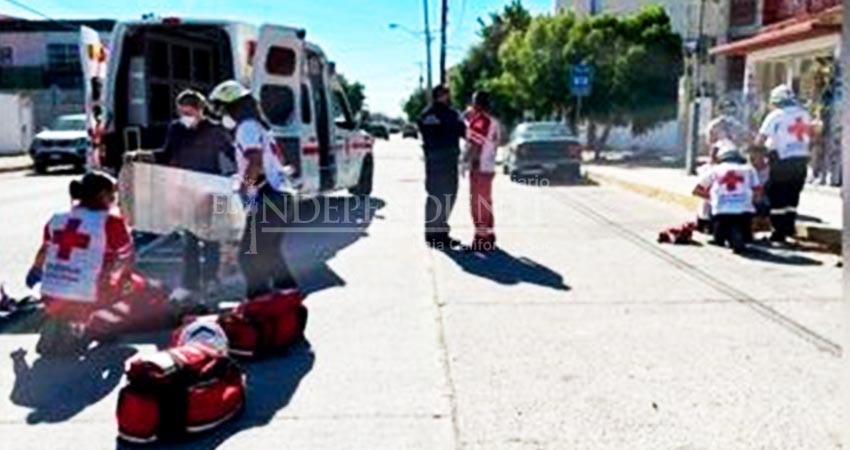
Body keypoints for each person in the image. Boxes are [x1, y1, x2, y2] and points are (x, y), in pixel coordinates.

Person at [25, 172, 170, 352]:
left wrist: (34, 271)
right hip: (87, 296)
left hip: (50, 293)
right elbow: (126, 257)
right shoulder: (110, 222)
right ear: (103, 195)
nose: (114, 198)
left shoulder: (56, 219)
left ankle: (75, 323)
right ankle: (101, 325)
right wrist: (122, 280)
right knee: (143, 287)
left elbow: (44, 251)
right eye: (113, 193)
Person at [208, 80, 298, 298]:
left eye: (221, 107)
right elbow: (274, 161)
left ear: (233, 106)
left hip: (269, 198)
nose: (221, 114)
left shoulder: (246, 127)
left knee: (250, 255)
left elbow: (255, 162)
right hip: (282, 196)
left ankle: (259, 303)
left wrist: (245, 188)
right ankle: (288, 297)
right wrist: (242, 179)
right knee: (270, 252)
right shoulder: (261, 126)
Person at [156, 90, 236, 302]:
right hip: (186, 190)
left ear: (201, 110)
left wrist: (240, 181)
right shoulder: (176, 129)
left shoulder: (215, 130)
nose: (185, 117)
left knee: (211, 238)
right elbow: (166, 154)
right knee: (190, 240)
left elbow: (232, 154)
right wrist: (142, 155)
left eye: (189, 112)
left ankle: (211, 280)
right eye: (182, 112)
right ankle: (189, 283)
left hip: (212, 188)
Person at [755, 84, 812, 243]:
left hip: (782, 161)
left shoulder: (776, 115)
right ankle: (788, 229)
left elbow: (760, 139)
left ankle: (778, 233)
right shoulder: (804, 114)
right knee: (792, 197)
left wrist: (755, 156)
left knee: (777, 196)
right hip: (801, 161)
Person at [693, 141, 763, 254]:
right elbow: (758, 190)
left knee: (718, 239)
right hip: (744, 211)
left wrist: (712, 198)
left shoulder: (715, 170)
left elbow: (697, 190)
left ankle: (718, 236)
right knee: (748, 236)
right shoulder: (749, 169)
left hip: (721, 211)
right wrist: (754, 203)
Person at [418, 85, 466, 248]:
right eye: (446, 95)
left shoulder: (453, 114)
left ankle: (442, 232)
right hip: (436, 162)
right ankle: (432, 234)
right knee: (436, 196)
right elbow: (431, 134)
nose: (449, 98)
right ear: (439, 96)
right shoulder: (429, 114)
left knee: (449, 196)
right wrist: (450, 126)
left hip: (450, 161)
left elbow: (463, 131)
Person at [463, 91, 501, 252]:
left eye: (473, 102)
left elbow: (476, 145)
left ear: (477, 103)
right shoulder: (494, 121)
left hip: (479, 167)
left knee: (477, 205)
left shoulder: (480, 120)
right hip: (489, 166)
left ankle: (481, 240)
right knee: (486, 203)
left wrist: (469, 161)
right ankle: (489, 235)